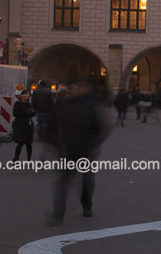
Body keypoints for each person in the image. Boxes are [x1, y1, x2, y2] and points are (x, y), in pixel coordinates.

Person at [48, 80, 110, 226]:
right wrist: (56, 144)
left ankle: (87, 205)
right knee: (63, 182)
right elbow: (53, 125)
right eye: (73, 87)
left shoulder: (91, 105)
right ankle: (58, 213)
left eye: (79, 87)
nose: (75, 89)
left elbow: (101, 129)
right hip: (68, 150)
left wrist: (92, 144)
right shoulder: (64, 105)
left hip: (86, 151)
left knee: (87, 180)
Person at [12, 90, 35, 161]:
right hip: (20, 125)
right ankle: (16, 158)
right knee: (20, 143)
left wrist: (27, 112)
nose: (25, 96)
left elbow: (33, 114)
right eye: (24, 94)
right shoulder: (18, 104)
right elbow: (16, 113)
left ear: (29, 96)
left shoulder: (30, 105)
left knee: (29, 144)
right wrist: (28, 112)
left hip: (28, 126)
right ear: (21, 96)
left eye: (27, 94)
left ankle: (29, 159)